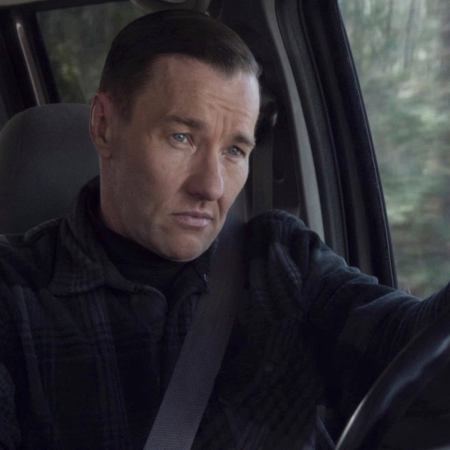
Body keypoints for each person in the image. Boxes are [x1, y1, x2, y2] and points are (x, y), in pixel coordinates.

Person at [0, 9, 449, 450]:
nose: (211, 187)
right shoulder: (13, 293)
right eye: (181, 137)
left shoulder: (282, 261)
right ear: (103, 126)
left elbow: (418, 352)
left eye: (234, 150)